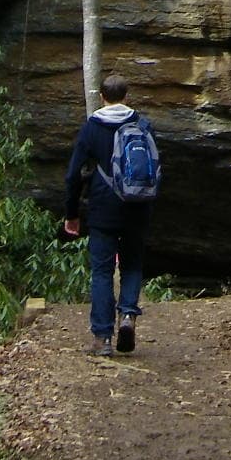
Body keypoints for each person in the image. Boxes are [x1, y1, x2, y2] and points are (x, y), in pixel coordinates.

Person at [63, 73, 156, 356]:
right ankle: (127, 315)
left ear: (102, 97)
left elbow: (73, 176)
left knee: (102, 271)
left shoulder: (92, 128)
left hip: (103, 208)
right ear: (126, 96)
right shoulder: (142, 124)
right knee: (132, 265)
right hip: (137, 206)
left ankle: (102, 338)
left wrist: (72, 213)